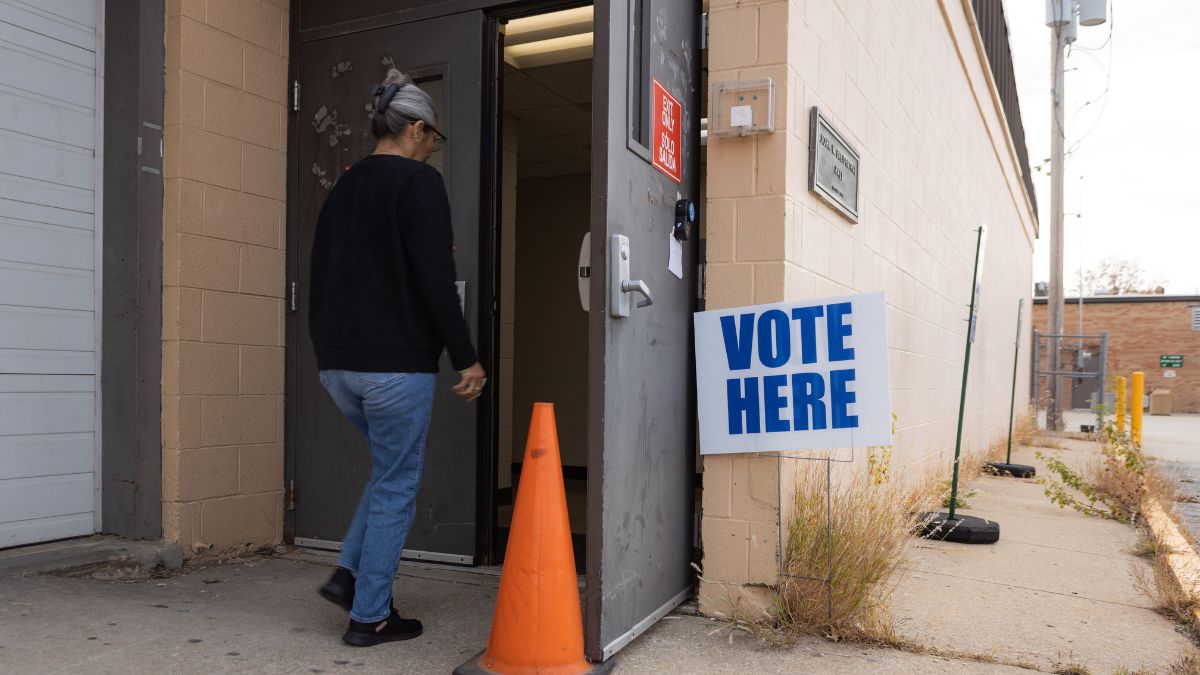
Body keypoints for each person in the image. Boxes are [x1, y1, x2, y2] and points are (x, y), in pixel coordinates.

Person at [308, 69, 486, 647]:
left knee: (388, 470)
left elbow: (320, 279)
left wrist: (325, 353)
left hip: (338, 368)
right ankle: (370, 617)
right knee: (398, 481)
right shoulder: (418, 185)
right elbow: (437, 280)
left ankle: (349, 576)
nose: (433, 148)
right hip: (394, 369)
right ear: (414, 129)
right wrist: (467, 358)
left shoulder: (344, 187)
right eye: (432, 137)